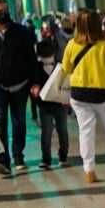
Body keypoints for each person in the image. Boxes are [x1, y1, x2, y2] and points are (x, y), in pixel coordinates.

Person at [62, 9, 105, 182]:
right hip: (104, 95)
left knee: (85, 132)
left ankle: (89, 170)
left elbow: (66, 69)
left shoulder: (71, 45)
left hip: (79, 95)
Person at [0, 0, 45, 174]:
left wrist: (35, 82)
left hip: (20, 85)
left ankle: (18, 157)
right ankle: (3, 160)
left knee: (19, 123)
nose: (4, 15)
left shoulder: (21, 32)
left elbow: (31, 59)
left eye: (6, 12)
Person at [35, 38, 69, 169]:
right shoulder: (36, 68)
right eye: (44, 56)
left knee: (62, 131)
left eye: (48, 56)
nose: (46, 58)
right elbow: (33, 83)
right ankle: (46, 159)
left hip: (60, 105)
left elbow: (67, 85)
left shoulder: (61, 67)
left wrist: (66, 99)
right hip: (44, 106)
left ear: (54, 54)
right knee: (46, 132)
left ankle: (63, 157)